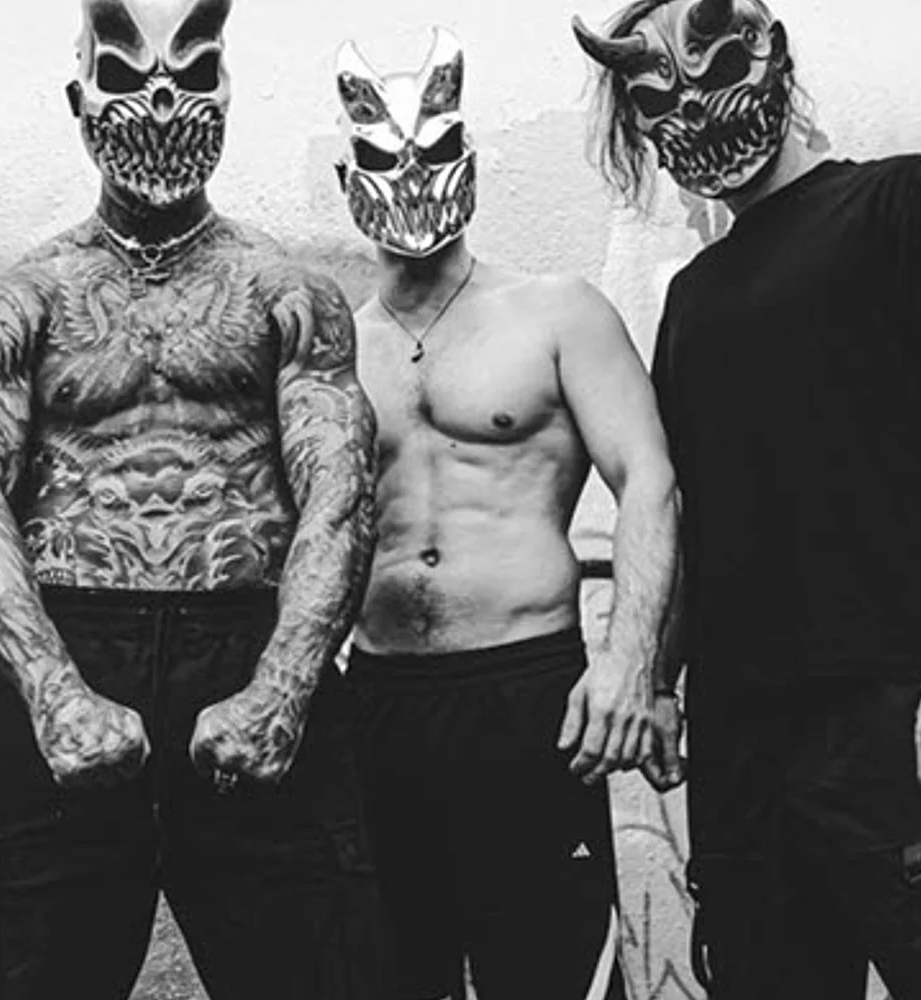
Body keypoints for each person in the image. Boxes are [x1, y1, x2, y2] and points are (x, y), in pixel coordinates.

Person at [574, 1, 921, 996]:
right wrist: (656, 679)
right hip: (744, 756)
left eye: (711, 64)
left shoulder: (906, 199)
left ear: (767, 51)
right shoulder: (692, 296)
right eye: (653, 92)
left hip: (910, 715)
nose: (689, 105)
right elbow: (693, 511)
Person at [0, 1, 385, 996]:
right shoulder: (20, 299)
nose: (163, 100)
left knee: (320, 969)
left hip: (250, 637)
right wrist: (50, 692)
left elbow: (341, 496)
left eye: (194, 73)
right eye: (128, 76)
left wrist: (283, 687)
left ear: (226, 92)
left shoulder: (288, 293)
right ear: (79, 101)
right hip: (66, 637)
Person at [334, 27, 679, 1000]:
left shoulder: (556, 312)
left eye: (435, 152)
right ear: (350, 180)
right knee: (394, 977)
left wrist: (630, 662)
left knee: (549, 975)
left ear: (471, 166)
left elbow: (649, 480)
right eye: (382, 160)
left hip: (525, 692)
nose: (409, 176)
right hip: (377, 699)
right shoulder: (331, 348)